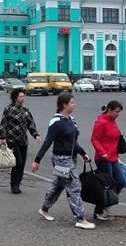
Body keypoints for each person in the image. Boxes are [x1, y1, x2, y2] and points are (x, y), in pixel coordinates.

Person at [32, 93, 95, 230]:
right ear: (64, 105)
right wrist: (37, 160)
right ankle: (80, 218)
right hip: (61, 159)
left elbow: (73, 142)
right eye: (72, 102)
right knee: (74, 185)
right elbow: (48, 142)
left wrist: (83, 153)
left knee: (60, 184)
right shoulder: (56, 122)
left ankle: (44, 209)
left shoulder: (71, 120)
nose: (74, 104)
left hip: (71, 157)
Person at [0, 88, 42, 194]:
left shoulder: (25, 110)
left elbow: (30, 124)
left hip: (23, 140)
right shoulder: (8, 109)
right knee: (18, 162)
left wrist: (36, 135)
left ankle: (18, 183)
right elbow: (3, 124)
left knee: (22, 163)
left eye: (23, 96)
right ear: (15, 98)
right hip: (12, 139)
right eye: (21, 96)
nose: (23, 98)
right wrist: (3, 137)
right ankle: (13, 184)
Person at [90, 101, 126, 221]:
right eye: (116, 111)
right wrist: (103, 153)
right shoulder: (101, 122)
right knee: (105, 185)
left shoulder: (112, 121)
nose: (118, 114)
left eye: (119, 112)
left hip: (113, 157)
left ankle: (108, 202)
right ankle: (98, 211)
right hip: (103, 158)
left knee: (121, 181)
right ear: (109, 110)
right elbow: (94, 139)